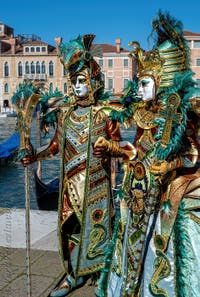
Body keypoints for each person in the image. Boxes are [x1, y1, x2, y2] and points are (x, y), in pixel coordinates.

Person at [21, 34, 136, 297]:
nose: (76, 86)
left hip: (96, 187)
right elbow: (54, 147)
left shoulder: (106, 114)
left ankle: (100, 276)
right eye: (74, 81)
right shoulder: (66, 114)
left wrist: (109, 148)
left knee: (98, 233)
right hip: (69, 187)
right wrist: (34, 156)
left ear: (94, 82)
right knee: (70, 229)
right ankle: (72, 276)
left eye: (82, 81)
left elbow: (127, 152)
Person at [117, 11, 200, 297]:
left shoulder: (184, 114)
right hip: (141, 197)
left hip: (171, 196)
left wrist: (170, 166)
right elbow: (137, 152)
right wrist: (115, 148)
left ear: (162, 81)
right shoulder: (145, 114)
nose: (138, 88)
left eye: (144, 83)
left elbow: (193, 154)